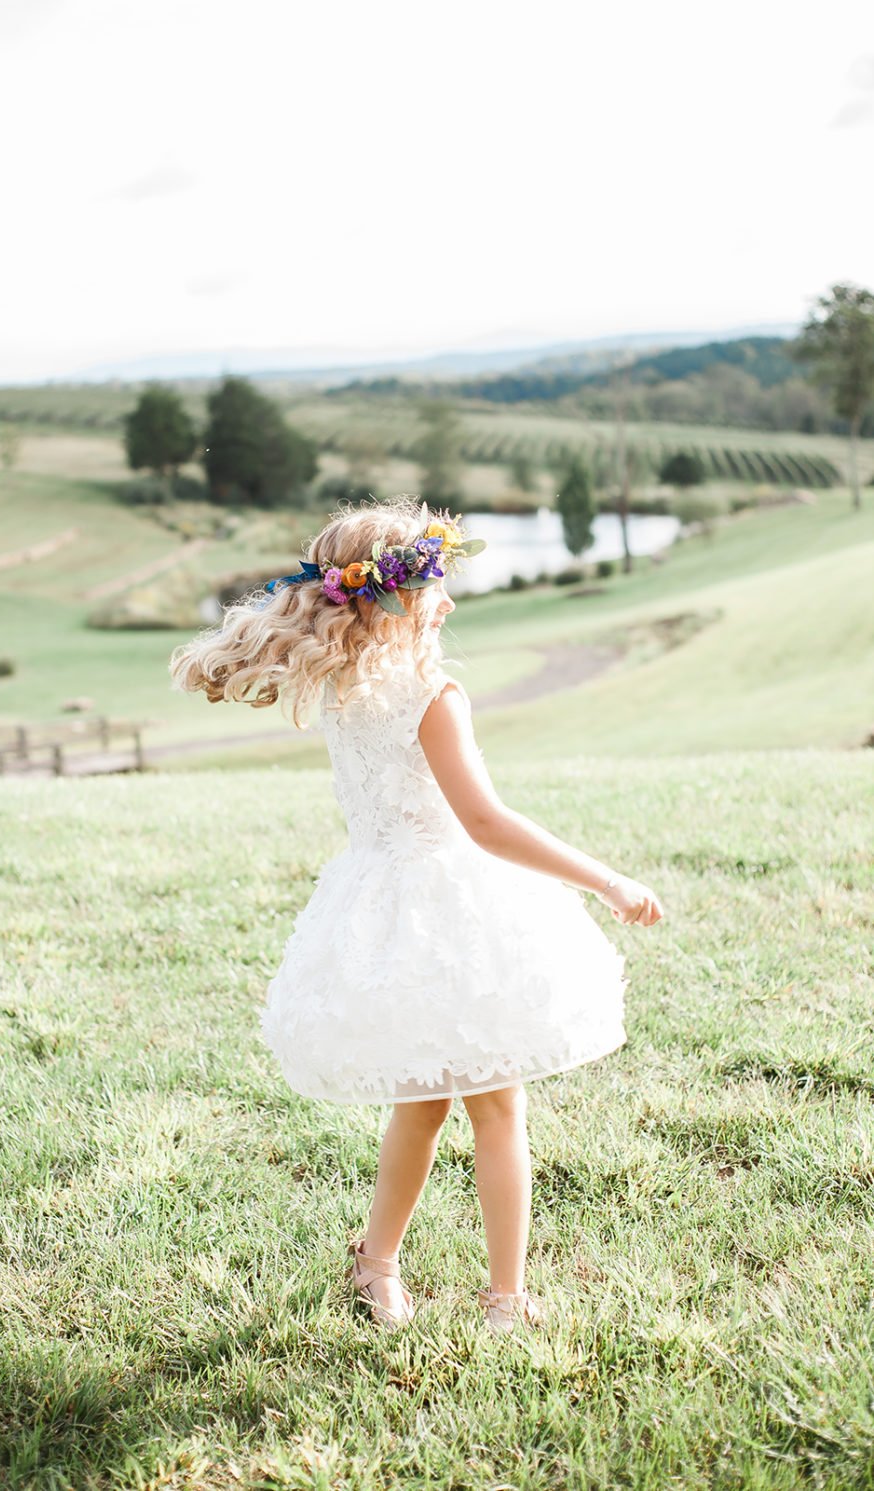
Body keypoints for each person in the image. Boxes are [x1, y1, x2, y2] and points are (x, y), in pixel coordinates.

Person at [169, 494, 663, 1337]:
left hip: (385, 913)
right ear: (397, 596)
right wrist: (606, 879)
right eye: (439, 584)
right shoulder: (431, 695)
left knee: (429, 1101)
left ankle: (385, 1264)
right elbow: (486, 822)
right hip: (449, 911)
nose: (452, 601)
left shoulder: (344, 688)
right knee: (488, 1108)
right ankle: (495, 1296)